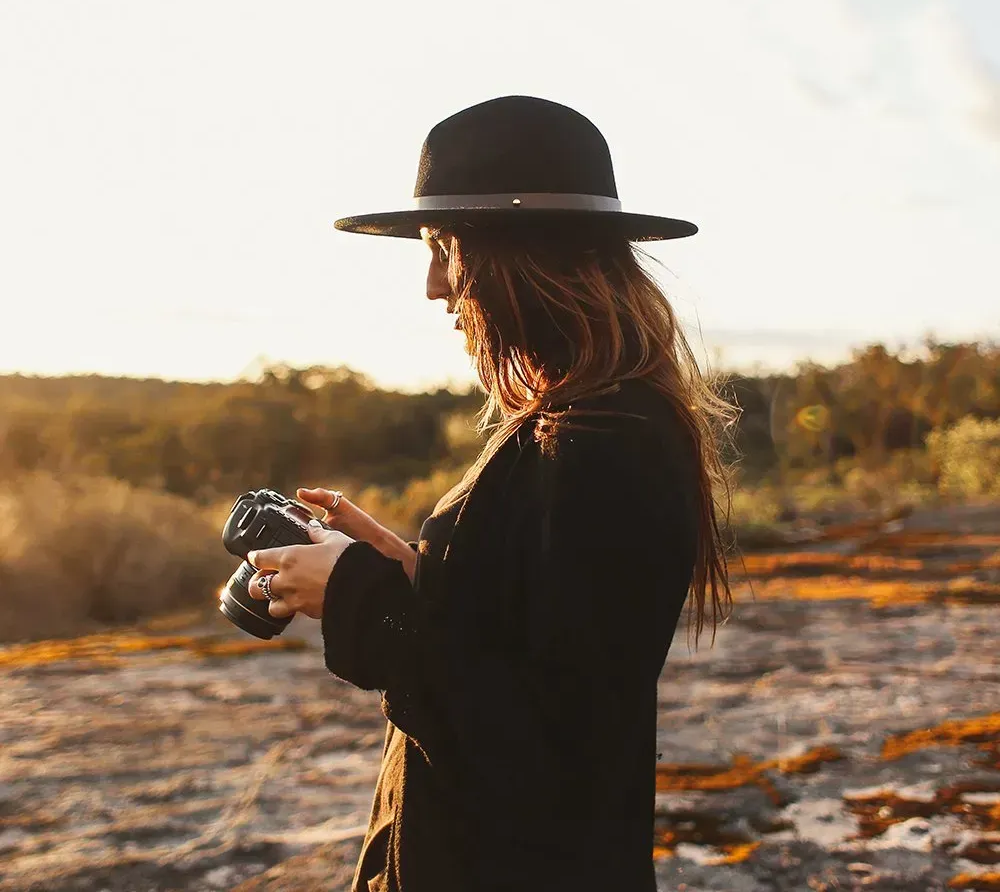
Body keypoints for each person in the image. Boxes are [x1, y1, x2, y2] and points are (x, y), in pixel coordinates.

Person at [245, 96, 739, 891]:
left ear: (522, 255)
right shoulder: (583, 421)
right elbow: (527, 636)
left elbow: (547, 731)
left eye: (445, 247)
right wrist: (408, 570)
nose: (434, 285)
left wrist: (360, 600)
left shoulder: (607, 441)